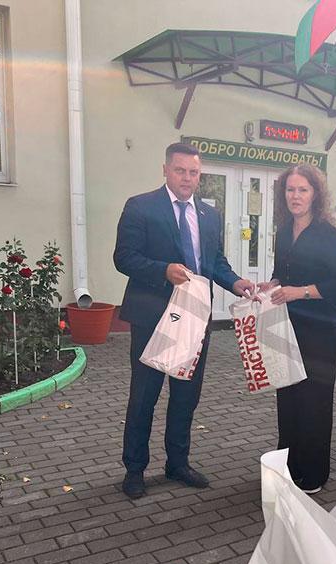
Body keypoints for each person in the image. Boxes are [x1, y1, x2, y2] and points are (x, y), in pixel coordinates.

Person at [113, 142, 255, 499]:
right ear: (165, 170)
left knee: (185, 396)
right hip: (153, 318)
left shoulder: (209, 214)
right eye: (180, 170)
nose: (187, 178)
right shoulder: (140, 206)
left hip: (194, 319)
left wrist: (235, 282)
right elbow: (124, 257)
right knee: (143, 397)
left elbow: (214, 261)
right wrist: (163, 270)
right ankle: (135, 469)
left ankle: (177, 463)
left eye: (193, 172)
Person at [259, 164, 336, 494]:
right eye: (290, 190)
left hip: (320, 330)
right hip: (287, 326)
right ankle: (290, 467)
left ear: (315, 194)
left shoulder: (327, 233)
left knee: (315, 401)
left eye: (302, 190)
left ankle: (313, 474)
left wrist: (299, 292)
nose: (295, 196)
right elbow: (282, 273)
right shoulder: (284, 231)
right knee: (288, 398)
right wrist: (272, 284)